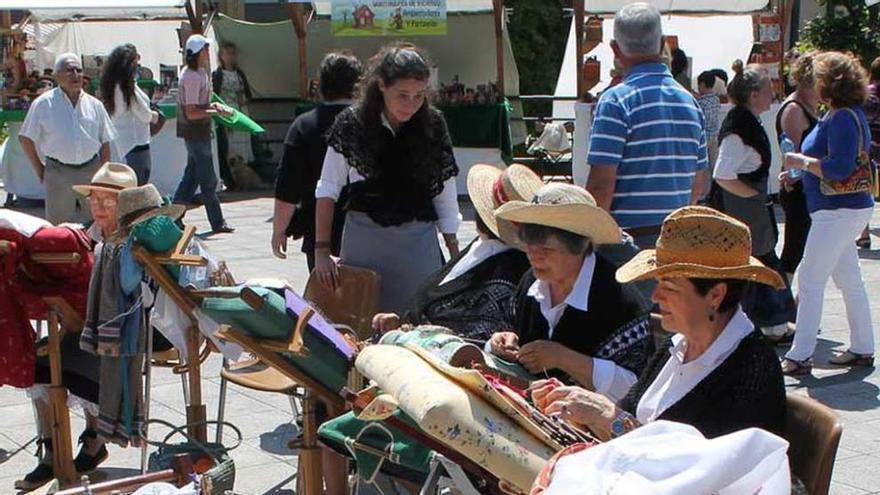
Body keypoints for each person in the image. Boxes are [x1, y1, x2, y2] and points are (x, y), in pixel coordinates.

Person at [531, 206, 787, 441]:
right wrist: (580, 407)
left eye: (670, 287)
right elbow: (629, 415)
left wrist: (610, 418)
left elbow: (700, 471)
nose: (655, 297)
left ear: (715, 295)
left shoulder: (752, 369)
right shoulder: (676, 345)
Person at [15, 162, 137, 491]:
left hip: (124, 331)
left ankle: (95, 441)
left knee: (81, 359)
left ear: (126, 203)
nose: (98, 206)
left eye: (108, 200)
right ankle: (51, 450)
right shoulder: (80, 238)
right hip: (81, 327)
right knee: (40, 366)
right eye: (94, 198)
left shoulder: (136, 242)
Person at [314, 43, 460, 314]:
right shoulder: (351, 123)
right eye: (402, 95)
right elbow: (327, 187)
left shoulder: (433, 124)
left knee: (418, 323)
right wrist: (321, 250)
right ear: (381, 84)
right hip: (364, 243)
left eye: (419, 96)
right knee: (361, 324)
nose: (411, 104)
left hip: (418, 243)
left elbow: (444, 191)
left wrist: (454, 254)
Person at [488, 183, 653, 402]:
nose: (534, 257)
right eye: (529, 247)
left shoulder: (619, 300)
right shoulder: (531, 282)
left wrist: (563, 358)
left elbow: (634, 387)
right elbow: (509, 326)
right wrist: (502, 340)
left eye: (547, 249)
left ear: (580, 248)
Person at [781, 52, 876, 375]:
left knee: (810, 279)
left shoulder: (840, 118)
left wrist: (799, 163)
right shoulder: (848, 114)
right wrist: (800, 170)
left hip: (836, 211)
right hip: (844, 210)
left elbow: (838, 168)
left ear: (829, 85)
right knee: (849, 279)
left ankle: (800, 354)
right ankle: (862, 347)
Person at [371, 164, 542, 342]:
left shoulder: (507, 274)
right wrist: (400, 323)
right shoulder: (482, 247)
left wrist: (408, 332)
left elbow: (467, 340)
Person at [586, 3, 709, 250]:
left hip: (626, 243)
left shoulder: (616, 101)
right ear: (663, 42)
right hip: (675, 241)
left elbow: (602, 185)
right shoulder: (690, 103)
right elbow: (699, 185)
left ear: (615, 49)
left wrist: (589, 242)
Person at [712, 61, 795, 341]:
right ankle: (761, 328)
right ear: (753, 95)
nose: (772, 93)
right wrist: (754, 197)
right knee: (753, 268)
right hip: (743, 212)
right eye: (768, 88)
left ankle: (772, 326)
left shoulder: (747, 122)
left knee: (761, 264)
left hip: (752, 211)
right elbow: (722, 174)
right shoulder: (738, 129)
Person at [272, 52, 362, 271]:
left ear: (321, 85)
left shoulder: (303, 126)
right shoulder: (370, 123)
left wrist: (279, 230)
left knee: (325, 302)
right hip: (365, 230)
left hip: (320, 233)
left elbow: (288, 187)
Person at [19, 53, 116, 224]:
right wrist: (40, 169)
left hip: (90, 171)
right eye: (70, 70)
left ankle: (96, 251)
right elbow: (25, 137)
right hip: (58, 171)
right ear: (57, 76)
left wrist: (103, 174)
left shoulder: (95, 105)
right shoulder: (43, 104)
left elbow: (105, 141)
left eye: (79, 70)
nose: (76, 74)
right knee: (57, 226)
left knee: (97, 223)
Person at [173, 34, 234, 234]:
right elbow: (191, 111)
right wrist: (216, 111)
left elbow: (200, 105)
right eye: (206, 49)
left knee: (191, 177)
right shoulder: (191, 76)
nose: (209, 52)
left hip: (198, 131)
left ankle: (173, 216)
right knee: (208, 180)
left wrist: (214, 107)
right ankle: (217, 222)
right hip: (195, 132)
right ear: (199, 53)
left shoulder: (199, 73)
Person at [776, 52, 819, 279]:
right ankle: (780, 302)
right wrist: (793, 175)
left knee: (808, 250)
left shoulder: (810, 106)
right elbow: (790, 155)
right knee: (794, 250)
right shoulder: (794, 109)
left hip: (810, 188)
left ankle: (792, 301)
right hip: (797, 190)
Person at [99, 43, 160, 185]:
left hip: (128, 142)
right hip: (136, 141)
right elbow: (143, 113)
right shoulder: (125, 87)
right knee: (138, 184)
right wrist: (154, 116)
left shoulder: (116, 84)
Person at [213, 41, 254, 189]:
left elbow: (249, 94)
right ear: (221, 56)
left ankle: (243, 178)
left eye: (232, 53)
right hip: (226, 113)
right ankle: (230, 179)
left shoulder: (239, 73)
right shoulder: (218, 74)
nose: (230, 57)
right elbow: (215, 95)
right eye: (226, 53)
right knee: (229, 146)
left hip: (240, 111)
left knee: (242, 145)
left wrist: (244, 100)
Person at [858, 56, 880, 249]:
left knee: (865, 189)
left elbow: (862, 119)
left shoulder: (869, 94)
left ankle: (864, 234)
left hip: (870, 149)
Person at [697, 70, 722, 173]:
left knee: (703, 167)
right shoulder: (716, 99)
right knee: (714, 165)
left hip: (704, 138)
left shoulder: (701, 103)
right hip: (715, 135)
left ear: (702, 84)